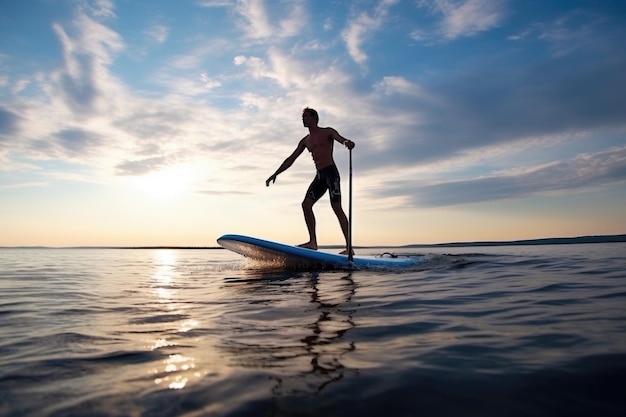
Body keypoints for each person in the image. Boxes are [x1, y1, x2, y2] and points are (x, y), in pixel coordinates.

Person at [266, 107, 356, 255]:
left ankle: (349, 247)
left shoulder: (327, 132)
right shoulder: (305, 141)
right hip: (320, 176)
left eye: (306, 116)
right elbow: (291, 159)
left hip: (331, 173)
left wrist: (348, 143)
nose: (303, 119)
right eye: (303, 117)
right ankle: (313, 242)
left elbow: (342, 139)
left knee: (337, 208)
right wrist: (275, 173)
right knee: (306, 205)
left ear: (314, 118)